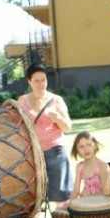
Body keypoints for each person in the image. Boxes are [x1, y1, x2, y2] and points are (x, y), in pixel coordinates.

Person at [18, 63, 74, 205]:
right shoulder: (22, 101)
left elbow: (68, 127)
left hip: (55, 151)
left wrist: (57, 118)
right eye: (36, 80)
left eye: (43, 80)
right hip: (33, 154)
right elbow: (18, 127)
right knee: (34, 197)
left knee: (61, 196)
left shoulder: (56, 100)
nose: (41, 84)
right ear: (29, 81)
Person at [69, 132, 110, 199]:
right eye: (81, 147)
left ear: (95, 145)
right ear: (77, 150)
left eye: (89, 145)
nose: (86, 149)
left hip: (101, 203)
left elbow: (107, 192)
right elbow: (76, 191)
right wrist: (70, 203)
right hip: (86, 202)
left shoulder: (102, 166)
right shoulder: (80, 167)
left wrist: (89, 197)